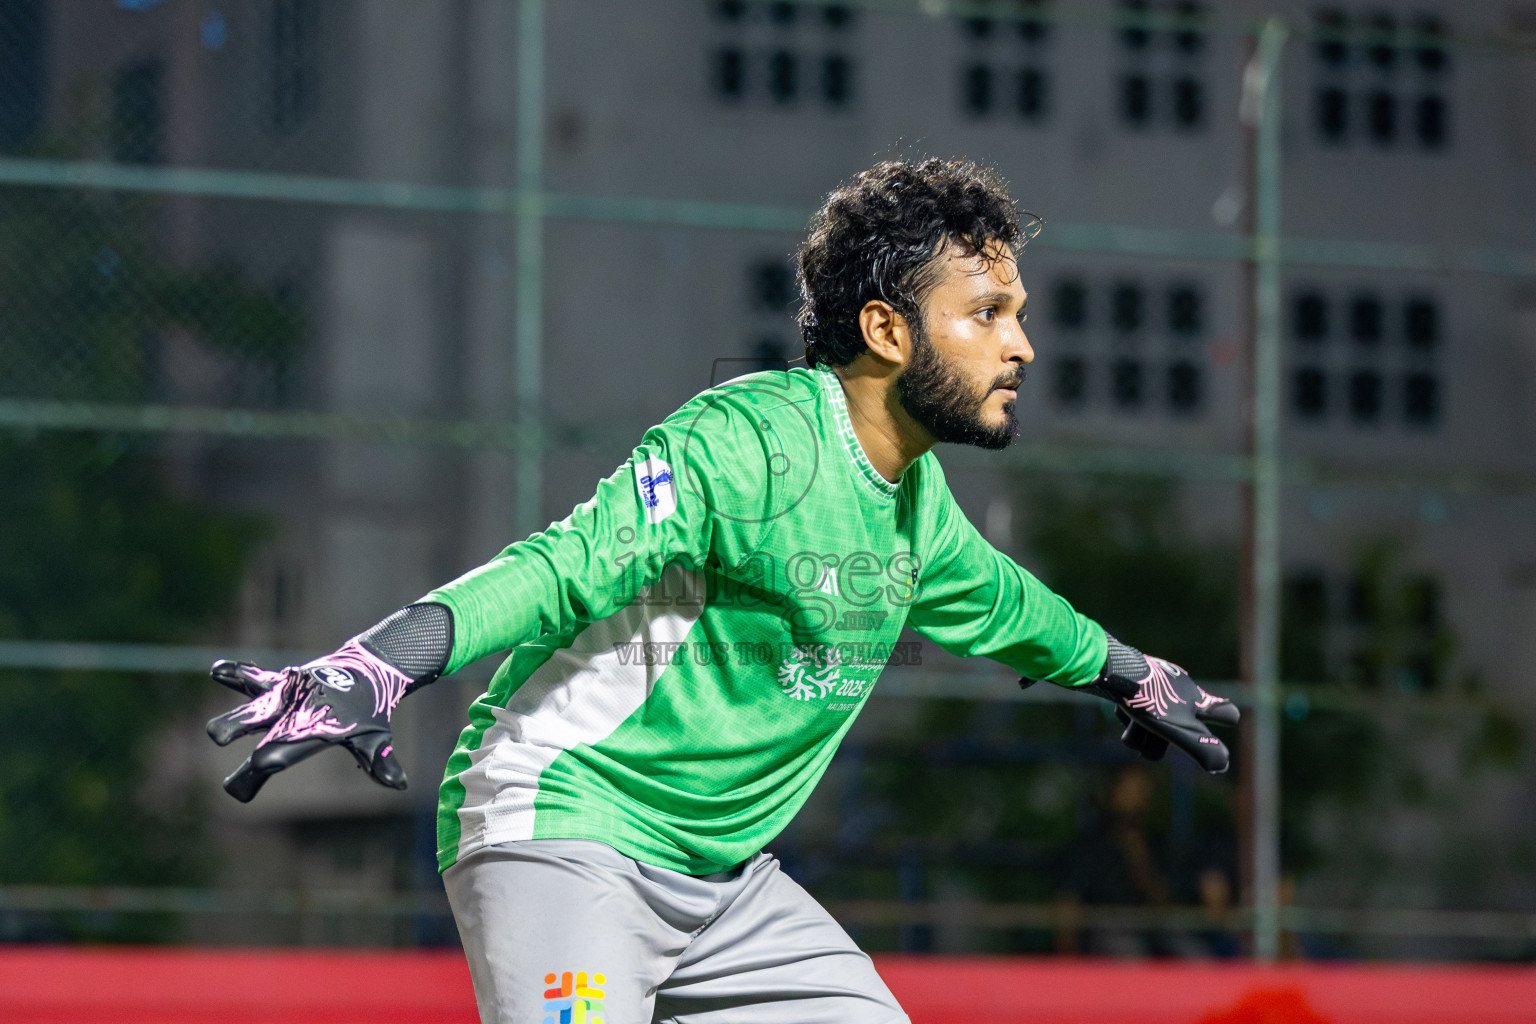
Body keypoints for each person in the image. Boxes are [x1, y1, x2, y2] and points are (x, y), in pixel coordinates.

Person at [207, 158, 1238, 1024]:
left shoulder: (918, 508)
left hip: (727, 889)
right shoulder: (748, 439)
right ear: (887, 331)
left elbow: (1021, 614)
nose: (1021, 344)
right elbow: (568, 563)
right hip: (571, 834)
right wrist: (385, 657)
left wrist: (1140, 677)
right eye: (987, 313)